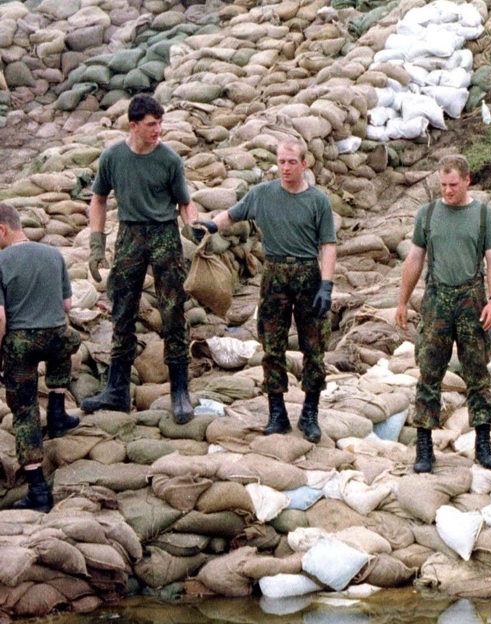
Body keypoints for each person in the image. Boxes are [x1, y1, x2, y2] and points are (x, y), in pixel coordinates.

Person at [194, 140, 336, 443]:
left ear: (304, 164)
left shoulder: (317, 201)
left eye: (291, 162)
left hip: (307, 274)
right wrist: (210, 227)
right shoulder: (261, 194)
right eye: (281, 162)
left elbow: (328, 245)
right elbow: (232, 216)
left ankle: (310, 413)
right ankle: (277, 413)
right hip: (274, 275)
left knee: (314, 348)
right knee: (272, 346)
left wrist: (326, 284)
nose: (285, 168)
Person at [84, 93, 197, 424]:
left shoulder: (169, 160)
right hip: (130, 235)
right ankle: (116, 390)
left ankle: (179, 391)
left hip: (163, 234)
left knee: (173, 310)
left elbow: (184, 202)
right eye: (151, 124)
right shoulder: (113, 158)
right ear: (133, 125)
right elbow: (99, 199)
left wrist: (192, 230)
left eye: (160, 123)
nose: (158, 130)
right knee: (122, 308)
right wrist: (95, 243)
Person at [396, 154, 491, 474]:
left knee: (477, 372)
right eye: (443, 185)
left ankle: (483, 442)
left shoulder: (484, 215)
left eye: (453, 185)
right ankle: (424, 446)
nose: (447, 191)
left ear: (467, 180)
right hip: (436, 300)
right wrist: (402, 302)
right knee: (429, 371)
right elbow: (414, 259)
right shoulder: (427, 214)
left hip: (472, 299)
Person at [0, 203, 80, 512]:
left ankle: (37, 490)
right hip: (56, 336)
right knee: (67, 340)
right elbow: (68, 305)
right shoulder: (53, 254)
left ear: (2, 230)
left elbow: (2, 319)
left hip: (21, 342)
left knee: (24, 411)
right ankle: (58, 413)